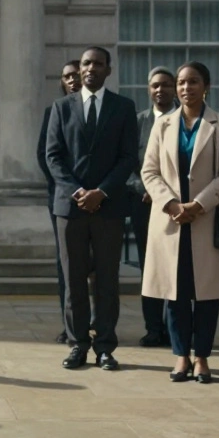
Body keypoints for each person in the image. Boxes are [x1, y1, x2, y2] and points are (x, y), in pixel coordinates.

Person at [140, 62, 219, 384]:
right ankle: (181, 356)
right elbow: (149, 171)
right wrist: (171, 205)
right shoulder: (163, 124)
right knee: (176, 293)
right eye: (181, 83)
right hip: (170, 222)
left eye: (193, 82)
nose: (186, 88)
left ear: (206, 86)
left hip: (204, 219)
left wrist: (197, 204)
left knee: (207, 294)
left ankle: (203, 358)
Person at [45, 47, 138, 371]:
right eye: (86, 63)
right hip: (69, 210)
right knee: (73, 280)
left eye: (98, 63)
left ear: (108, 70)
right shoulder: (60, 107)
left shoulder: (123, 108)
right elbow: (53, 156)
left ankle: (105, 347)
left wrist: (102, 191)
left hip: (108, 208)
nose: (91, 68)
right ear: (79, 69)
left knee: (107, 281)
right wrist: (77, 192)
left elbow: (128, 157)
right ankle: (78, 344)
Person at [129, 66, 176, 348]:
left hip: (177, 206)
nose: (161, 90)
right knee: (150, 267)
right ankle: (153, 329)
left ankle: (174, 329)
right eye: (156, 85)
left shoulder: (186, 120)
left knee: (174, 268)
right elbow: (126, 163)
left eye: (166, 85)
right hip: (144, 205)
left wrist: (167, 194)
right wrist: (144, 189)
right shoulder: (138, 122)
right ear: (149, 89)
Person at [37, 60, 80, 345]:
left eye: (76, 75)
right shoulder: (53, 111)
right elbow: (45, 155)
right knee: (66, 266)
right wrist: (70, 188)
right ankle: (70, 326)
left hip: (99, 199)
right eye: (67, 77)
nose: (73, 80)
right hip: (63, 199)